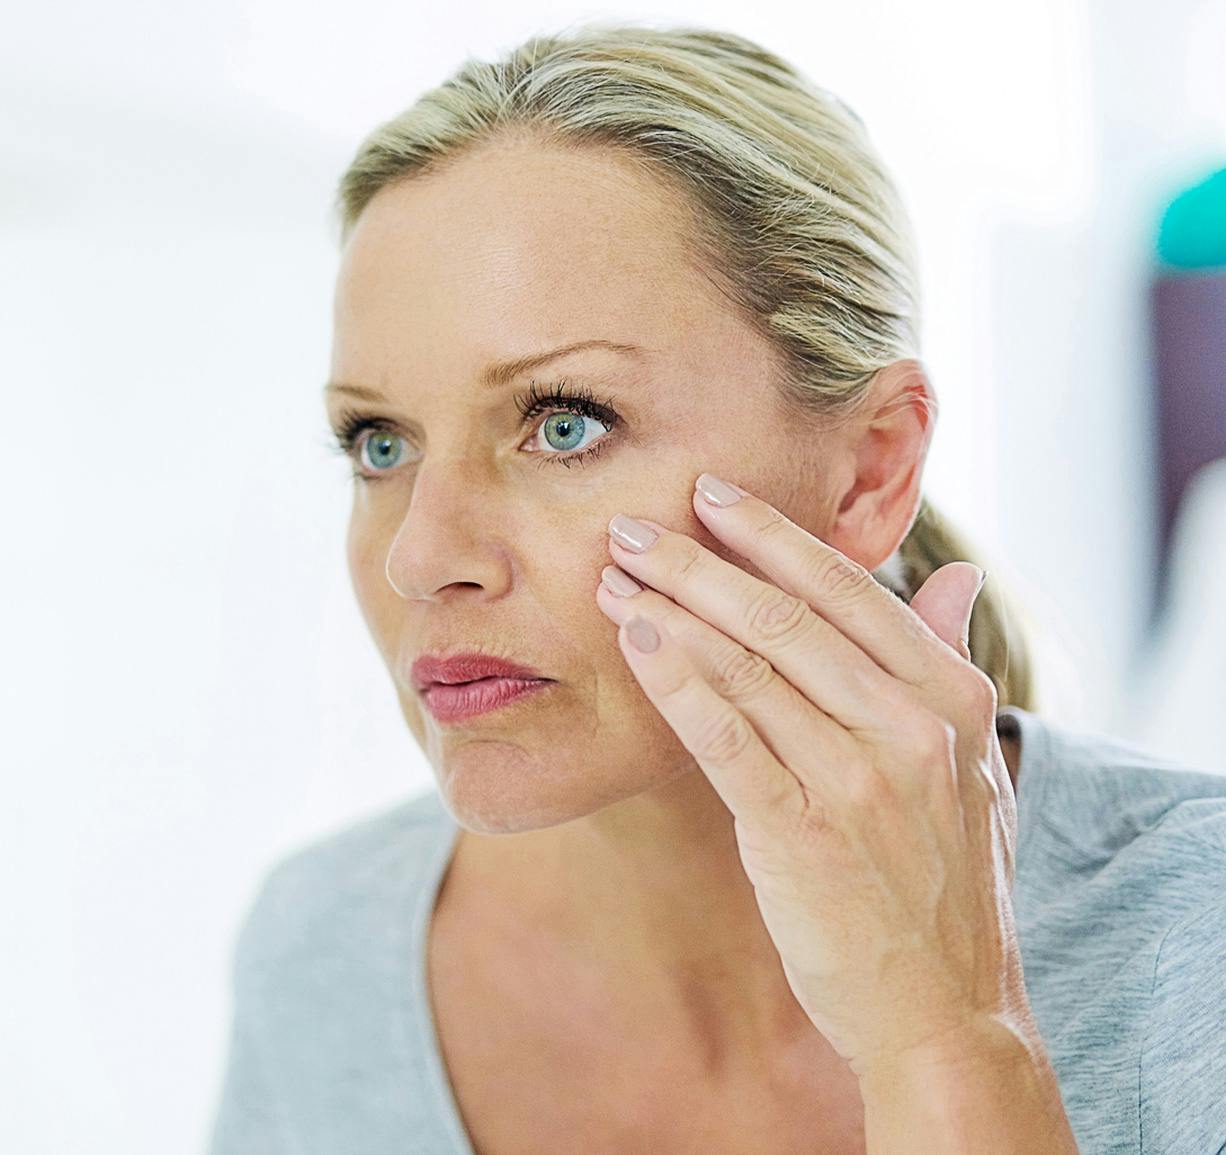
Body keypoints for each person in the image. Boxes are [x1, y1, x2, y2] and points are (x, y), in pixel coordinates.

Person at [207, 21, 1226, 1154]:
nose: (420, 554)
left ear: (868, 468)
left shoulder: (1199, 944)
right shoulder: (322, 956)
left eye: (563, 423)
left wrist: (946, 1041)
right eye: (379, 444)